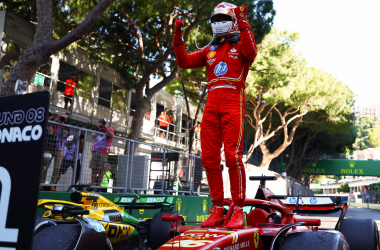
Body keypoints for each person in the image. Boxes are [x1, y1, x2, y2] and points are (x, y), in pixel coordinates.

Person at [173, 2, 257, 228]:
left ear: (233, 20)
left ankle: (238, 209)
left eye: (223, 19)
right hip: (211, 103)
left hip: (233, 99)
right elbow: (184, 61)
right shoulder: (209, 49)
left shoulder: (241, 45)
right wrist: (177, 36)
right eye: (215, 20)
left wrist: (243, 22)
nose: (219, 24)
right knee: (208, 157)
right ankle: (218, 208)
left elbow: (252, 52)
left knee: (232, 155)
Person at [90, 119, 114, 186]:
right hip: (95, 150)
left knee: (101, 169)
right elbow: (92, 136)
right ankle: (92, 184)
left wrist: (106, 128)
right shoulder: (98, 130)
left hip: (103, 152)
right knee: (94, 168)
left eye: (102, 124)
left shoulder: (109, 129)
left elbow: (112, 136)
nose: (101, 125)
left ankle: (98, 185)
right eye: (99, 123)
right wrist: (97, 128)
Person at [50, 113, 69, 190]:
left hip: (60, 149)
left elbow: (64, 134)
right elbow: (50, 132)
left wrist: (62, 125)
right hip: (51, 147)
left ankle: (51, 185)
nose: (61, 119)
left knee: (57, 168)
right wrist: (54, 121)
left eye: (63, 118)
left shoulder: (67, 127)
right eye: (60, 117)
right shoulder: (54, 124)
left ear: (66, 120)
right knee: (45, 166)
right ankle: (42, 184)